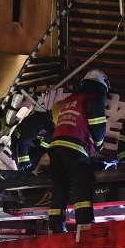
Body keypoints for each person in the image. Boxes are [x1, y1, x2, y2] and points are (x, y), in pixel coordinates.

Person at [47, 69, 109, 233]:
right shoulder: (93, 99)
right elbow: (98, 127)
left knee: (60, 187)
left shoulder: (70, 100)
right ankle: (85, 225)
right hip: (74, 147)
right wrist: (99, 146)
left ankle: (55, 226)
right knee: (81, 185)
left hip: (55, 147)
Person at [10, 103, 54, 182]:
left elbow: (41, 147)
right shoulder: (38, 122)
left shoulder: (48, 126)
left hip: (25, 142)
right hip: (22, 142)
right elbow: (24, 143)